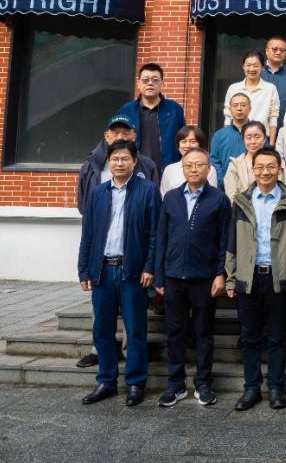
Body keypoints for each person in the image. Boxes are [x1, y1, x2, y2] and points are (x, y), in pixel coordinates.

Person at [77, 140, 161, 406]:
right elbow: (88, 234)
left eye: (125, 159)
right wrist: (83, 270)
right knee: (102, 330)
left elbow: (155, 233)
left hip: (132, 271)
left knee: (135, 330)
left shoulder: (148, 191)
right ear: (108, 162)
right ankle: (106, 381)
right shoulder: (98, 193)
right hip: (102, 270)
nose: (120, 163)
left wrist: (150, 267)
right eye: (115, 159)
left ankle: (135, 382)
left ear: (134, 162)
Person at [226, 146, 286, 411]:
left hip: (278, 276)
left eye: (271, 166)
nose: (265, 171)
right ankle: (251, 388)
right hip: (248, 276)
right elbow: (231, 243)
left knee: (276, 336)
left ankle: (275, 387)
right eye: (259, 167)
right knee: (249, 336)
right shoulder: (241, 201)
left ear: (280, 169)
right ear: (252, 170)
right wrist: (231, 278)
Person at [154, 146, 230, 407]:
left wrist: (220, 273)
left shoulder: (219, 200)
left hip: (205, 278)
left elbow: (225, 241)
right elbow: (161, 238)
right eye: (189, 165)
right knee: (175, 332)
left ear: (209, 169)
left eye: (199, 165)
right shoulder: (171, 198)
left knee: (203, 333)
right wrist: (159, 276)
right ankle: (176, 385)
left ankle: (203, 383)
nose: (194, 169)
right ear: (182, 169)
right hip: (173, 277)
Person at [78, 116, 160, 215]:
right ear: (107, 136)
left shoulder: (148, 166)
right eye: (116, 133)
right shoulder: (90, 166)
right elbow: (83, 204)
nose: (120, 137)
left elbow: (154, 203)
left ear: (134, 137)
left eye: (125, 133)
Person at [115, 62, 186, 168]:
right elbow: (116, 140)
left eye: (155, 80)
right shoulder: (126, 110)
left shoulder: (175, 109)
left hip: (168, 170)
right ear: (138, 84)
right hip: (135, 170)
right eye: (145, 80)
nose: (150, 83)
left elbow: (183, 140)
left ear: (162, 84)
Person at [224, 51, 281, 143]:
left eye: (255, 65)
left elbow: (273, 117)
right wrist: (228, 139)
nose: (252, 69)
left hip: (261, 140)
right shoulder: (233, 88)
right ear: (243, 66)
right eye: (248, 65)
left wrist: (271, 144)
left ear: (262, 67)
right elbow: (228, 116)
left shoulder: (270, 89)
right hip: (236, 139)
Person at [159, 125, 219, 195]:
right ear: (178, 145)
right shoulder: (169, 170)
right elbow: (164, 196)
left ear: (200, 144)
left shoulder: (209, 169)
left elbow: (212, 196)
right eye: (183, 141)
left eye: (192, 141)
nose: (187, 145)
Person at [210, 93, 250, 190]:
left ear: (250, 108)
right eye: (235, 105)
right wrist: (224, 181)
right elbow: (214, 161)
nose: (239, 108)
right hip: (225, 187)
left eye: (243, 105)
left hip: (252, 186)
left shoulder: (258, 133)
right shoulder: (219, 135)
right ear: (230, 109)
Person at [223, 122, 269, 201]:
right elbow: (231, 196)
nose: (253, 141)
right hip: (241, 207)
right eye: (248, 137)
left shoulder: (274, 163)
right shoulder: (235, 165)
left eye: (257, 137)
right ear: (243, 140)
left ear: (264, 139)